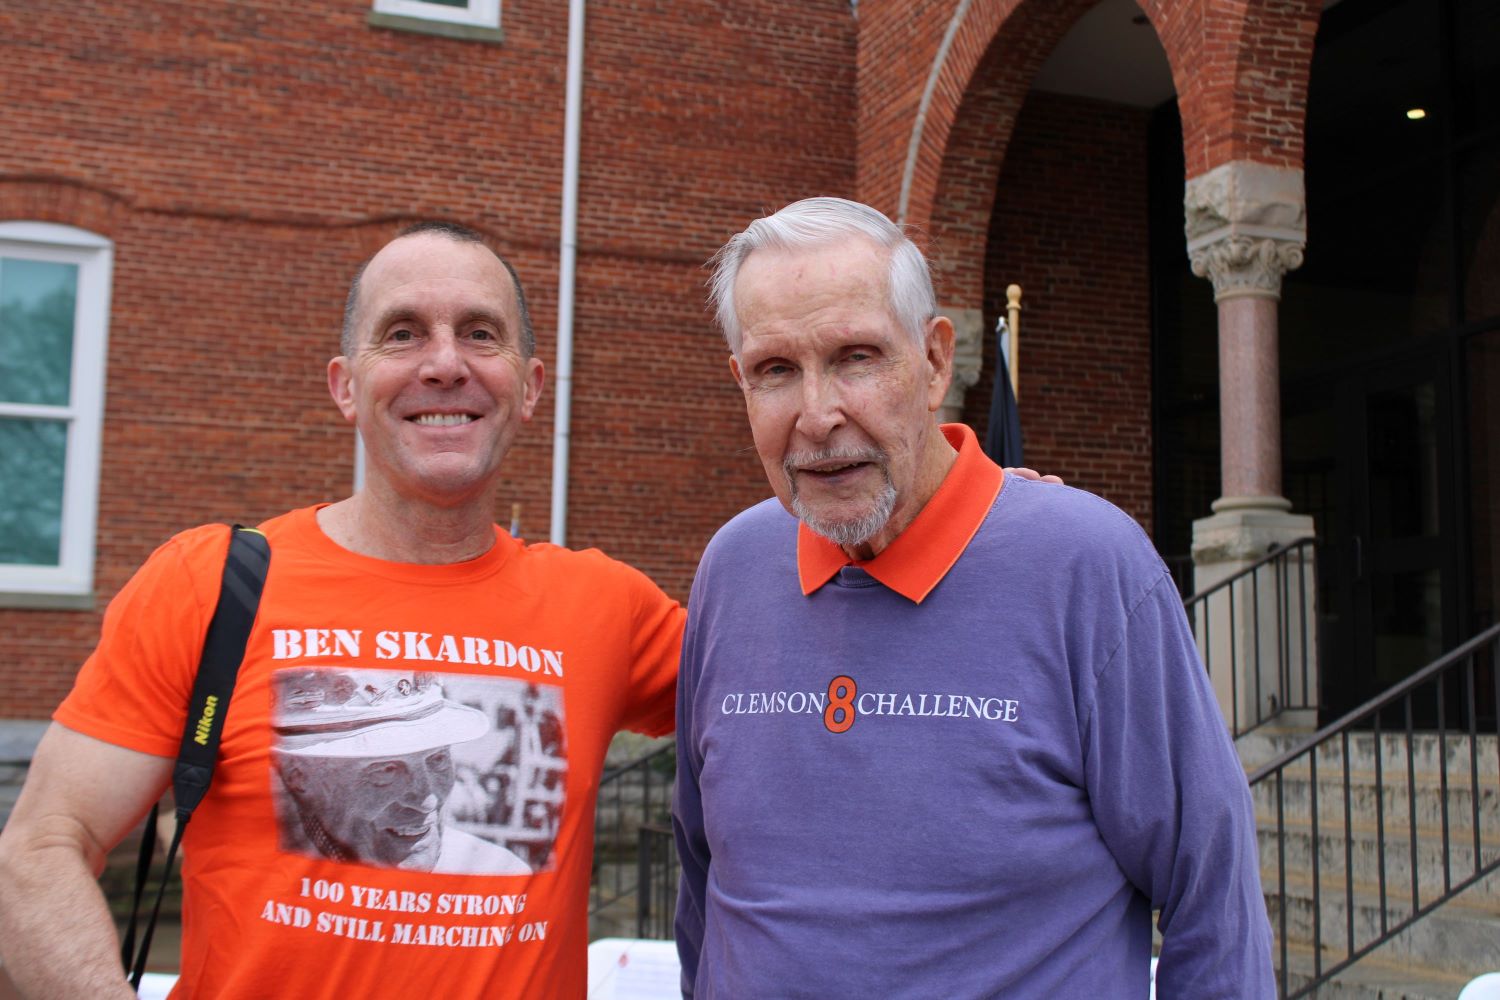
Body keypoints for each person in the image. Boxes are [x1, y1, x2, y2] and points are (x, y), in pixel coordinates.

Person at [0, 222, 682, 999]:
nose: (445, 362)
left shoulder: (609, 607)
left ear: (528, 387)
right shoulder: (210, 585)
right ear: (345, 387)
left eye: (479, 333)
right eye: (402, 333)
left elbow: (783, 687)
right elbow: (40, 848)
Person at [672, 197, 1276, 999]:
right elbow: (701, 877)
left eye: (856, 356)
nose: (818, 415)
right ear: (740, 381)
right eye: (776, 370)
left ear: (933, 361)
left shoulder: (1088, 567)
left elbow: (1212, 892)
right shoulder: (732, 568)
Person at [270, 668, 530, 875]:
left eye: (437, 759)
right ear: (298, 776)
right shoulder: (261, 877)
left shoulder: (498, 875)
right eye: (386, 770)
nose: (427, 800)